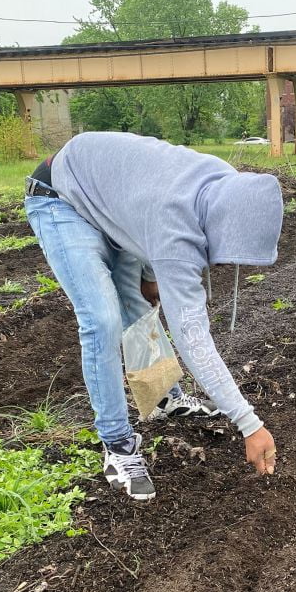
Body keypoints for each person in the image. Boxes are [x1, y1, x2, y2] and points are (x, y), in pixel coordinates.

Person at [23, 131, 282, 500]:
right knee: (103, 319)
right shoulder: (175, 227)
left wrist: (148, 276)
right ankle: (118, 446)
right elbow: (192, 335)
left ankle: (162, 397)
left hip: (115, 199)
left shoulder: (224, 184)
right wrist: (249, 423)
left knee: (138, 305)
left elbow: (140, 203)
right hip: (61, 199)